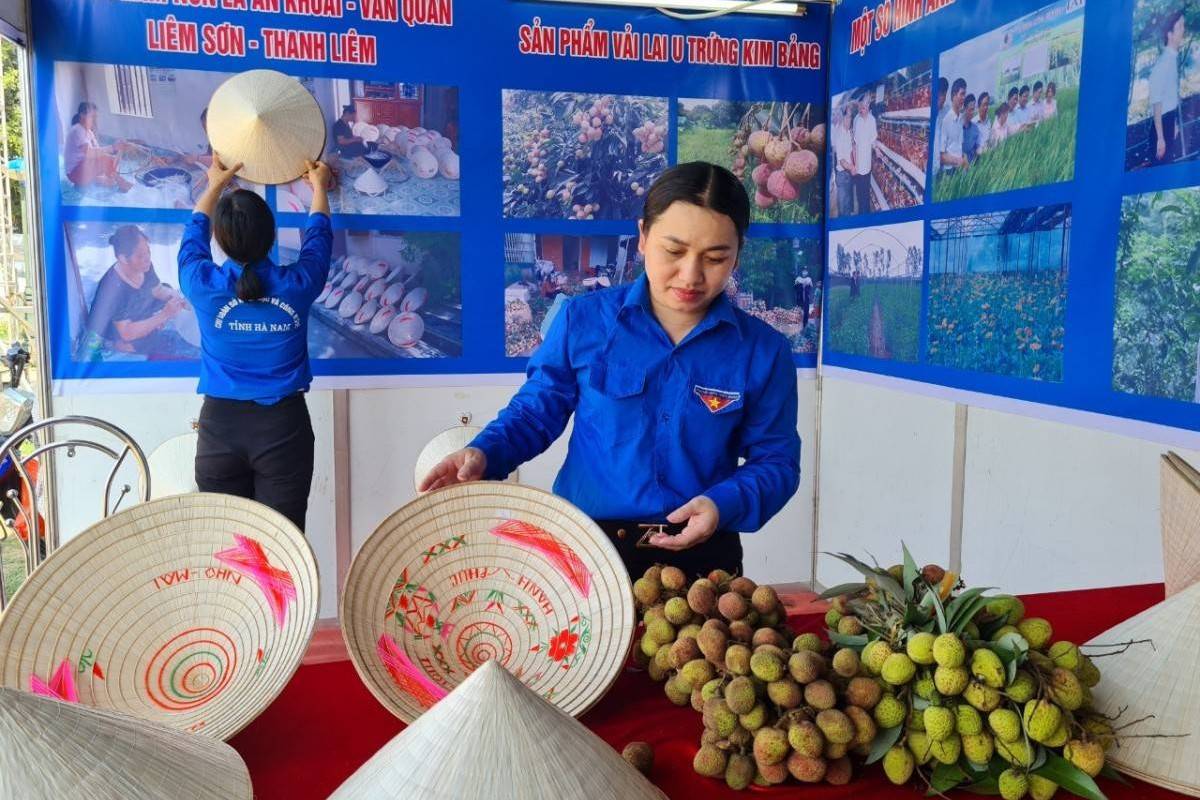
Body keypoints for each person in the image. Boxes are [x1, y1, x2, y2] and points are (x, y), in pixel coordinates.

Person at [419, 162, 800, 579]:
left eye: (715, 258)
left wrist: (722, 503)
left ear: (738, 253)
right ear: (642, 237)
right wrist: (484, 452)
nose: (690, 276)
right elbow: (535, 412)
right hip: (585, 552)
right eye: (673, 251)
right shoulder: (582, 322)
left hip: (704, 564)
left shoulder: (764, 352)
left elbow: (777, 461)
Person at [178, 155, 333, 532]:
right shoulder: (298, 285)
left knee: (231, 556)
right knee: (283, 550)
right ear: (271, 236)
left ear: (220, 238)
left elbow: (193, 233)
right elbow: (319, 238)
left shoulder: (201, 283)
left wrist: (214, 184)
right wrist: (320, 186)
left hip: (219, 430)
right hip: (283, 429)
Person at [80, 225, 192, 360]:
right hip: (117, 335)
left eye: (148, 252)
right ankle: (125, 347)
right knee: (156, 345)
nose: (147, 259)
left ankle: (149, 329)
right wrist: (163, 315)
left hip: (135, 312)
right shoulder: (113, 289)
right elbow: (126, 333)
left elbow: (158, 290)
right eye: (140, 255)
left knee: (168, 290)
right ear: (123, 258)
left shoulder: (144, 266)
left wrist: (179, 299)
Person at [64, 102, 131, 192]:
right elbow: (90, 154)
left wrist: (120, 149)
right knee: (106, 161)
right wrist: (113, 147)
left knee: (110, 161)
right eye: (92, 117)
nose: (95, 120)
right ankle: (120, 182)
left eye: (95, 117)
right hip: (74, 173)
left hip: (82, 169)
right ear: (82, 115)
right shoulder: (77, 130)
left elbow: (101, 154)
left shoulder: (89, 132)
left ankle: (104, 179)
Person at [1150, 10, 1185, 164]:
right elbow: (1156, 103)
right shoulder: (1163, 64)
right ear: (1170, 35)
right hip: (1161, 128)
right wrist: (1161, 138)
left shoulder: (1172, 60)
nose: (1183, 30)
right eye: (1180, 27)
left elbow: (1170, 96)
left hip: (1169, 122)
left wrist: (1175, 123)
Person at [852, 95, 878, 215]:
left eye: (863, 107)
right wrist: (855, 163)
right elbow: (855, 143)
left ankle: (865, 214)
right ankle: (861, 215)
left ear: (868, 106)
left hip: (867, 163)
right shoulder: (857, 119)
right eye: (859, 107)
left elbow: (873, 140)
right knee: (859, 192)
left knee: (866, 191)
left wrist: (877, 149)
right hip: (858, 163)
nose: (861, 110)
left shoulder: (872, 120)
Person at [938, 78, 968, 174]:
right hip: (948, 172)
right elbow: (941, 156)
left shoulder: (960, 120)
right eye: (962, 94)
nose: (964, 98)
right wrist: (960, 161)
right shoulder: (945, 120)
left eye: (965, 94)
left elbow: (958, 146)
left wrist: (964, 157)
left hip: (959, 170)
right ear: (954, 95)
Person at [831, 106, 855, 217]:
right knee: (843, 206)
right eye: (847, 117)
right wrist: (853, 168)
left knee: (848, 204)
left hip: (848, 174)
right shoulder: (839, 134)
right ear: (842, 118)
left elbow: (850, 151)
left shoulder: (848, 132)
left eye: (850, 117)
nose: (849, 120)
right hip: (842, 174)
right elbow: (841, 161)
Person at [962, 94, 981, 163]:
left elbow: (977, 150)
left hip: (972, 169)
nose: (972, 113)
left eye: (974, 109)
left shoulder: (975, 129)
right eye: (970, 110)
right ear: (964, 109)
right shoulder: (957, 127)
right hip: (958, 170)